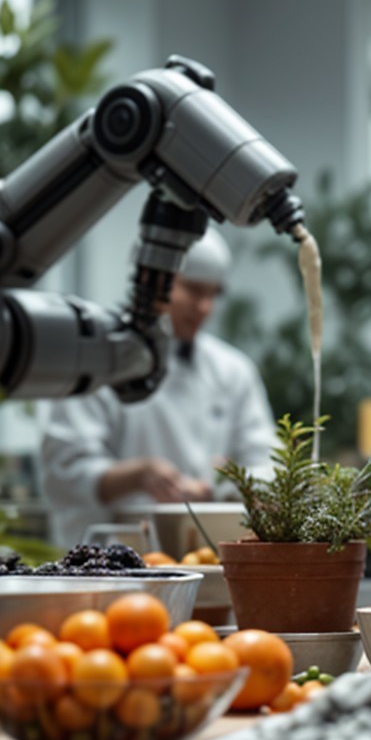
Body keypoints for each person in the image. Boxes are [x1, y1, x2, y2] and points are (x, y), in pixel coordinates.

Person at [40, 229, 276, 547]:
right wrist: (138, 475)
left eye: (213, 294)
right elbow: (64, 471)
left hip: (206, 556)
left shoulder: (233, 371)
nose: (204, 307)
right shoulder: (94, 361)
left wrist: (226, 487)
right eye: (193, 290)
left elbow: (265, 462)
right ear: (151, 282)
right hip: (109, 560)